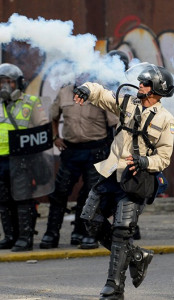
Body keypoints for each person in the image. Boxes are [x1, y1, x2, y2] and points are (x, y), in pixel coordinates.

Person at [73, 63, 174, 300]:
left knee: (121, 231)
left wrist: (144, 163)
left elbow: (164, 157)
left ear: (157, 89)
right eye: (140, 81)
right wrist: (87, 90)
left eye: (145, 83)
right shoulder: (127, 102)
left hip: (136, 179)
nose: (140, 85)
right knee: (90, 219)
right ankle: (138, 256)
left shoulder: (166, 119)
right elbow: (101, 94)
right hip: (111, 173)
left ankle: (114, 288)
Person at [39, 73, 118, 250]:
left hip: (95, 151)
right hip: (71, 151)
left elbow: (114, 123)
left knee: (91, 196)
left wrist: (115, 150)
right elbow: (53, 116)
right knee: (59, 193)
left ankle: (87, 234)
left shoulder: (100, 93)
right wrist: (55, 138)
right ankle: (52, 233)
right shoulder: (65, 92)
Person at [0, 63, 49, 252]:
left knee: (22, 199)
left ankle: (25, 238)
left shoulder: (31, 102)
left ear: (18, 83)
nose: (5, 85)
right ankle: (9, 236)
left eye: (9, 81)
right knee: (3, 201)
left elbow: (43, 131)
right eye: (2, 81)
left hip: (22, 160)